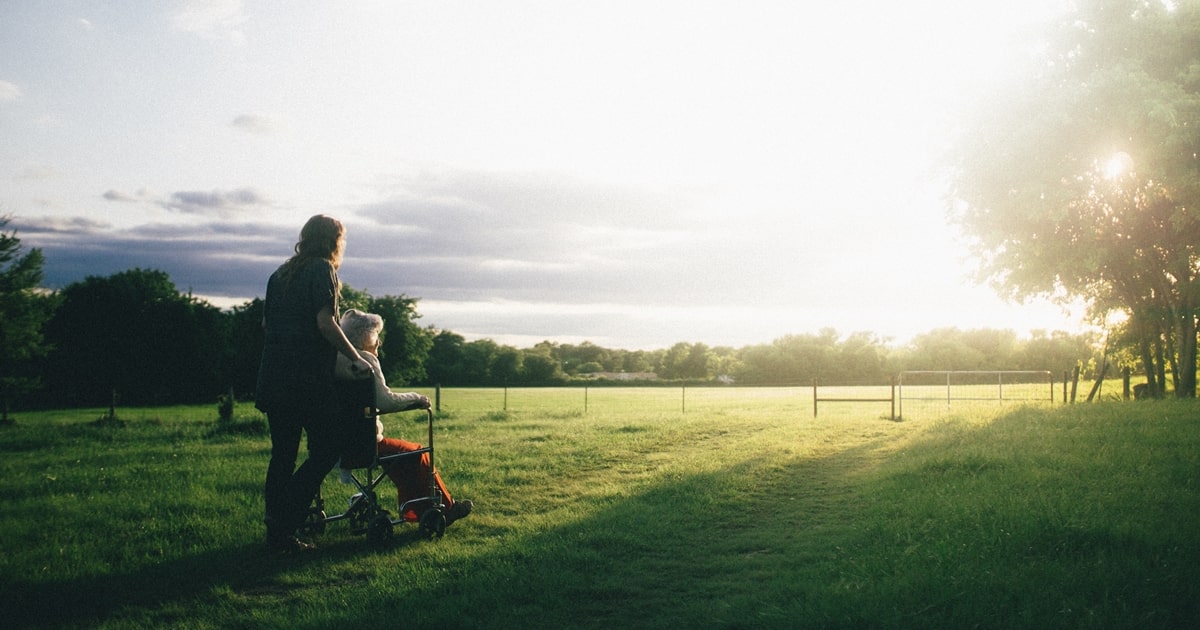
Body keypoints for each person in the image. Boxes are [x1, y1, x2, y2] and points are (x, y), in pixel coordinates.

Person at [256, 215, 373, 552]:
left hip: (274, 377)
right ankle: (284, 519)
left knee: (283, 455)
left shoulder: (278, 275)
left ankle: (277, 533)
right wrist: (356, 357)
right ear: (333, 241)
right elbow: (325, 323)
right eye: (342, 239)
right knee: (327, 449)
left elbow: (268, 324)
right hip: (305, 380)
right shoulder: (323, 270)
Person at [335, 309, 473, 526]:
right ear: (364, 337)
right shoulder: (365, 360)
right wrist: (417, 398)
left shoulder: (335, 360)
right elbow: (386, 401)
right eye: (376, 335)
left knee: (402, 456)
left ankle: (415, 510)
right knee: (417, 452)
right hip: (364, 444)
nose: (379, 342)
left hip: (337, 444)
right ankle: (446, 507)